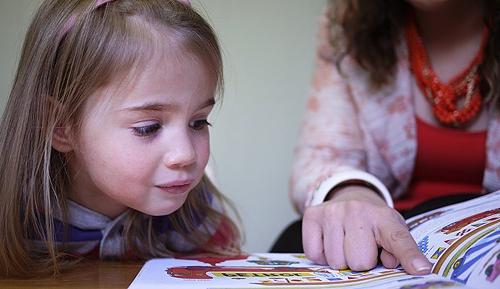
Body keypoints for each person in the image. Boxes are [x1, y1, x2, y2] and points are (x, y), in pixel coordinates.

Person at [0, 0, 240, 277]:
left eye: (198, 122)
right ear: (61, 126)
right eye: (148, 127)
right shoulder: (16, 216)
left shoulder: (196, 214)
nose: (186, 154)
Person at [284, 0, 500, 275]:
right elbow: (320, 157)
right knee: (300, 238)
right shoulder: (349, 24)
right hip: (392, 237)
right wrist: (352, 192)